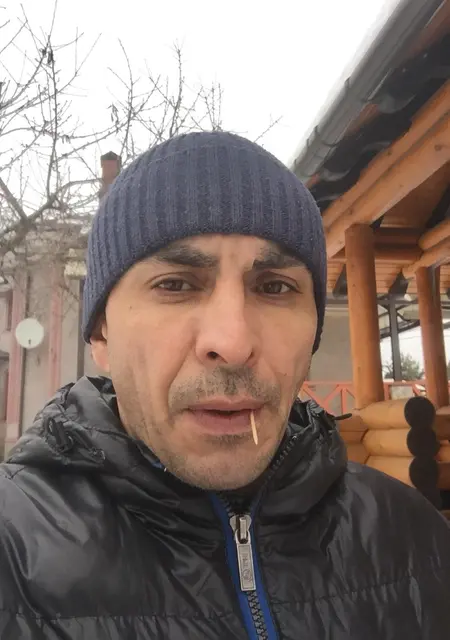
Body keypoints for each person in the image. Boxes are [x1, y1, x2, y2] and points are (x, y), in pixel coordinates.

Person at [0, 131, 449, 640]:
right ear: (101, 333)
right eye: (176, 284)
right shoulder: (12, 555)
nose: (233, 344)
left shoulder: (415, 538)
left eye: (275, 287)